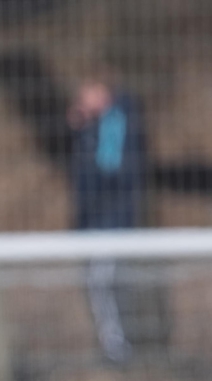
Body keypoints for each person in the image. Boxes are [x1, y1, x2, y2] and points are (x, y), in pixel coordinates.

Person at [68, 75, 147, 363]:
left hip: (110, 219)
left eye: (86, 93)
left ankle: (117, 347)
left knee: (104, 281)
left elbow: (108, 171)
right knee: (101, 281)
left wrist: (86, 131)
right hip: (97, 219)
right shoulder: (98, 125)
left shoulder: (115, 122)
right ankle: (114, 345)